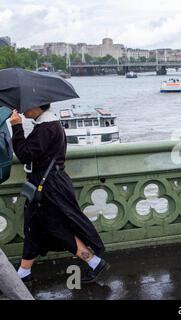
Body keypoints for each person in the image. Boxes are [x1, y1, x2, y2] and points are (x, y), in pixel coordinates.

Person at [9, 103, 109, 284]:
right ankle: (24, 272)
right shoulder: (49, 124)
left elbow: (26, 154)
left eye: (27, 107)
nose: (23, 110)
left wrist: (16, 126)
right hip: (50, 183)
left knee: (56, 228)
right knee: (34, 227)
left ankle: (94, 261)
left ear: (38, 107)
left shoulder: (46, 128)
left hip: (48, 187)